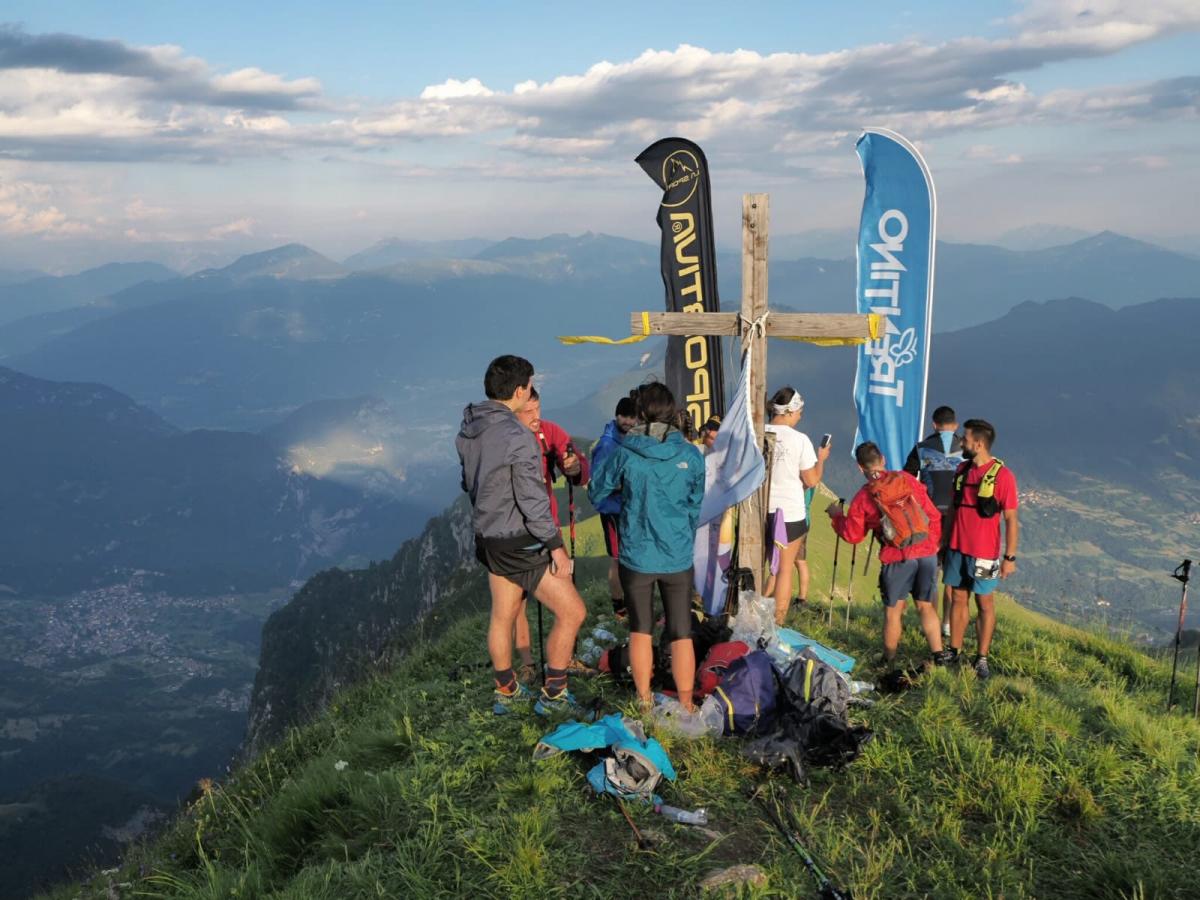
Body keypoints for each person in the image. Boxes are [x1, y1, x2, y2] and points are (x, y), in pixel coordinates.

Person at [456, 355, 588, 715]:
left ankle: (507, 693)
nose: (531, 391)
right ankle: (554, 696)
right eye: (529, 386)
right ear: (518, 391)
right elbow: (532, 500)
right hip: (521, 541)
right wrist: (556, 548)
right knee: (573, 611)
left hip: (488, 539)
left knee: (502, 615)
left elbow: (469, 483)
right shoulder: (519, 437)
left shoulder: (469, 429)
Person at [589, 383, 705, 712]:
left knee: (640, 627)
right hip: (678, 554)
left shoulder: (624, 453)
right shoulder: (690, 454)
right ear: (672, 414)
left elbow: (597, 493)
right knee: (681, 629)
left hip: (637, 554)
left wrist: (627, 502)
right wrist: (681, 530)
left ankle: (643, 701)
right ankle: (686, 704)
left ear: (639, 414)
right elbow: (695, 504)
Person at [827, 442, 954, 668]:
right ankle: (939, 654)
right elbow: (932, 515)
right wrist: (933, 544)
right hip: (925, 553)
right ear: (883, 459)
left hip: (896, 558)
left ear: (860, 468)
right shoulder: (907, 480)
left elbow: (852, 535)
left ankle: (889, 659)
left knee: (893, 612)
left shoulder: (865, 496)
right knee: (925, 605)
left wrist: (837, 516)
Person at [513, 387, 590, 681]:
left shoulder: (549, 432)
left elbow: (578, 469)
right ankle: (527, 663)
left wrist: (573, 466)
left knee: (564, 591)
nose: (536, 417)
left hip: (546, 530)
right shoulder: (507, 440)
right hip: (516, 535)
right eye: (528, 412)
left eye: (538, 409)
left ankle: (563, 657)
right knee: (516, 601)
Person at [943, 418, 1019, 680]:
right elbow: (953, 509)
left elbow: (1010, 518)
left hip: (985, 552)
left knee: (984, 602)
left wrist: (1009, 557)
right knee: (958, 597)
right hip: (956, 547)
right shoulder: (962, 470)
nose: (961, 442)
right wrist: (945, 543)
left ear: (978, 443)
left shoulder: (1003, 477)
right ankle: (955, 650)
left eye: (965, 438)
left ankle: (981, 657)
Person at [763, 387, 829, 624]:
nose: (800, 416)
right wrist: (821, 460)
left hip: (759, 510)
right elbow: (811, 480)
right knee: (785, 569)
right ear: (790, 411)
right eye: (799, 411)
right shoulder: (800, 440)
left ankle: (747, 615)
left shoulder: (757, 433)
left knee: (756, 564)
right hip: (790, 511)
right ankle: (777, 623)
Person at [904, 405, 964, 638]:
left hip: (930, 518)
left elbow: (907, 479)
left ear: (934, 424)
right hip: (958, 518)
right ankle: (949, 624)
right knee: (952, 574)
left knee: (932, 572)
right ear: (956, 425)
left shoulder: (921, 448)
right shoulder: (966, 449)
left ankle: (934, 622)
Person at [590, 396, 638, 619]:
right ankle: (619, 606)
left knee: (629, 556)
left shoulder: (627, 438)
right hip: (612, 510)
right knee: (618, 559)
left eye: (632, 417)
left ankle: (631, 600)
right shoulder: (607, 444)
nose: (628, 421)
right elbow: (599, 482)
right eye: (624, 417)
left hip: (627, 508)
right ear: (617, 416)